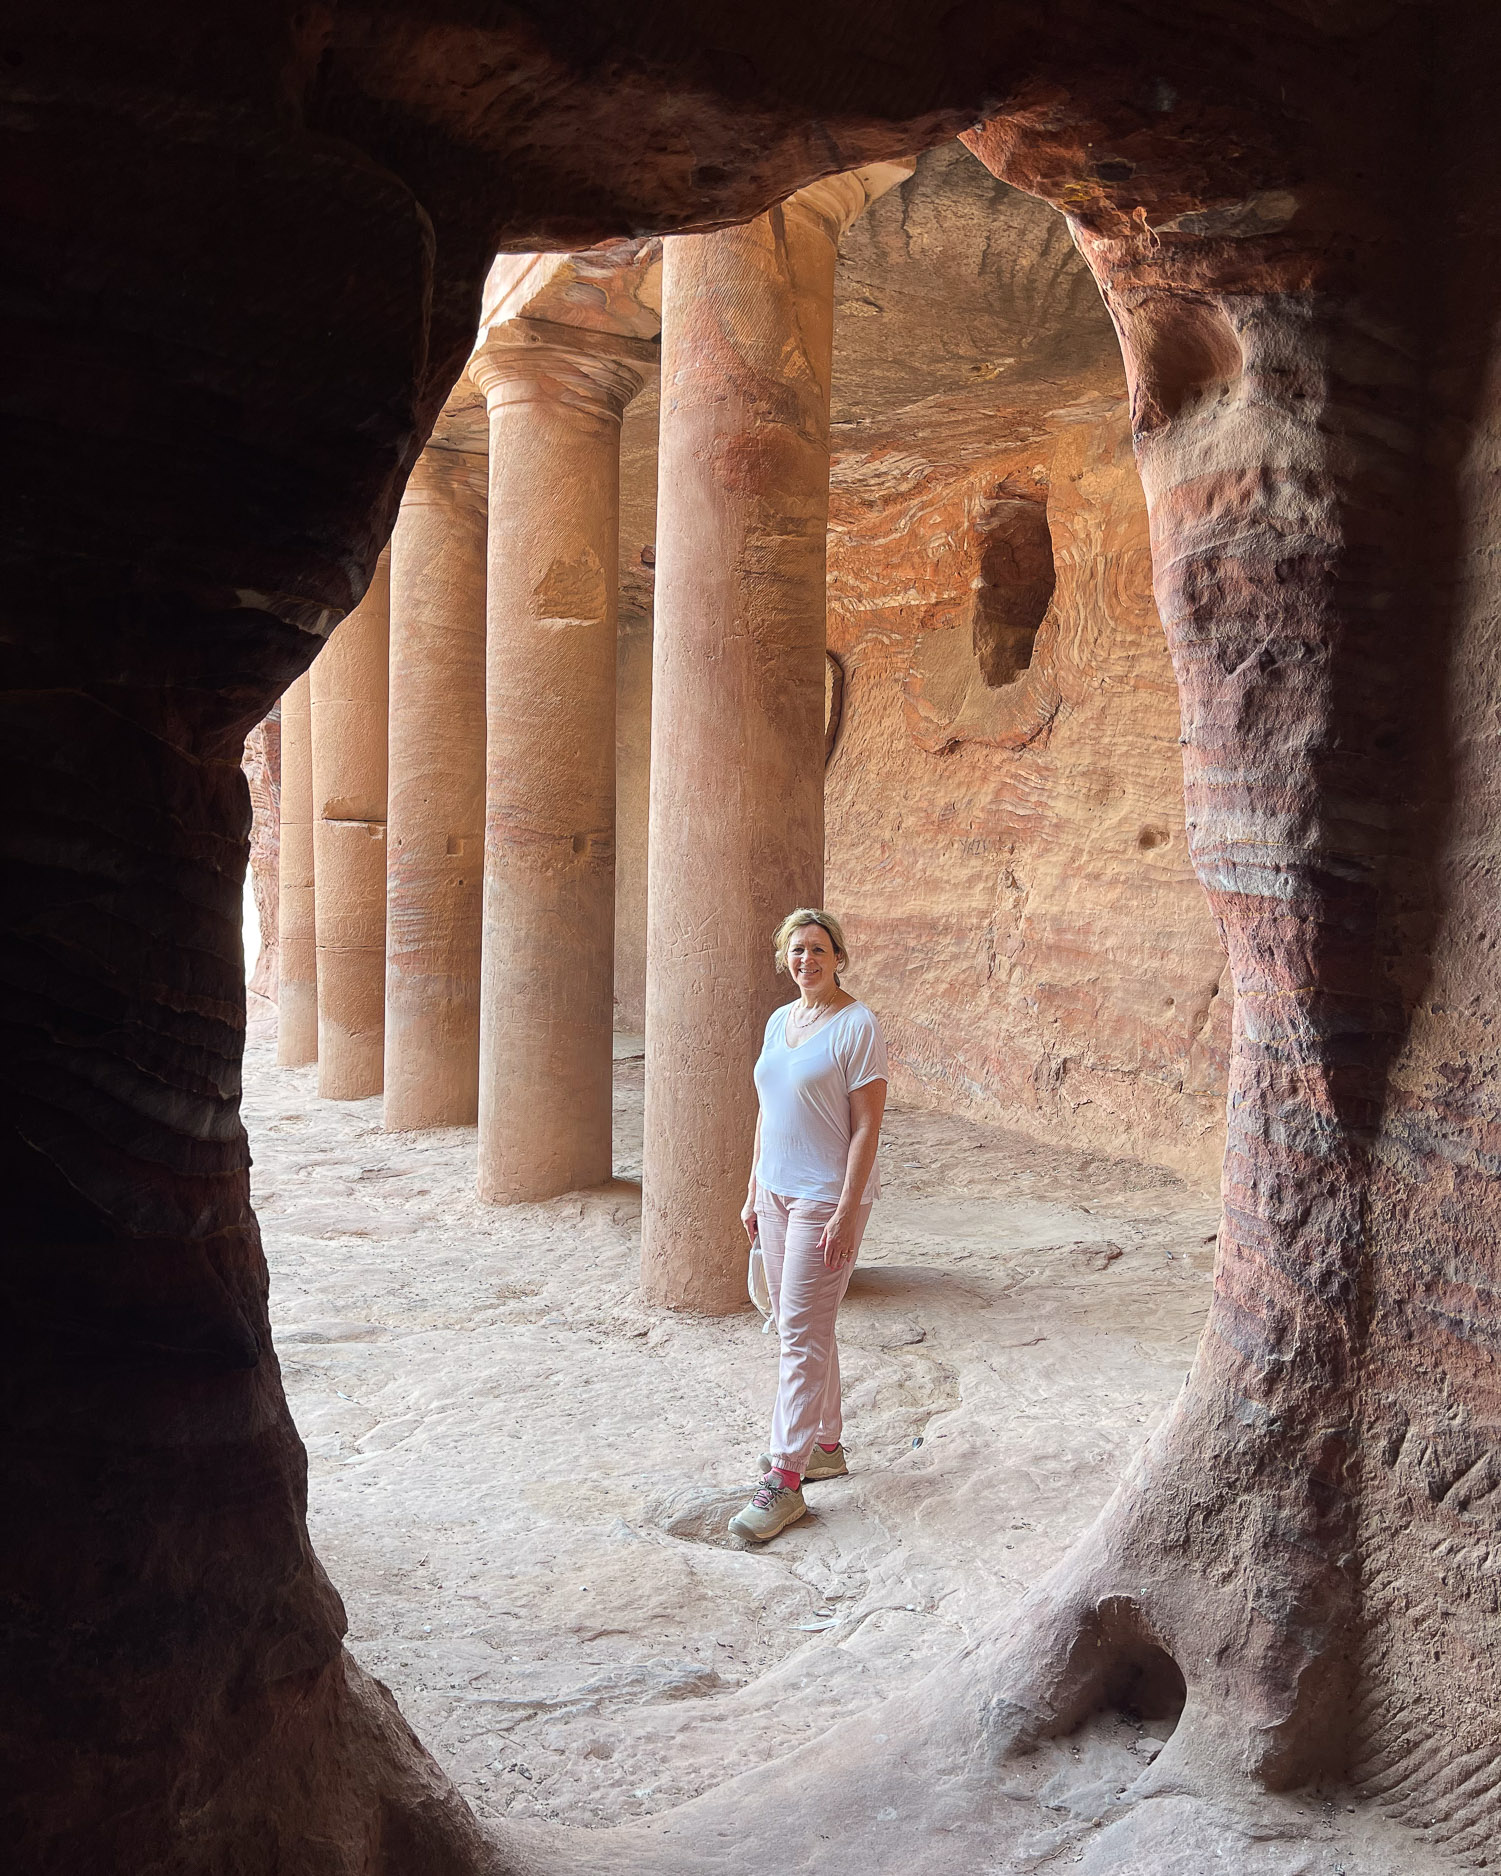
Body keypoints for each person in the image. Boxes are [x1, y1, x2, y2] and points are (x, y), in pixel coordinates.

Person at [729, 909, 889, 1544]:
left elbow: (867, 1126)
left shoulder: (858, 1025)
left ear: (839, 957)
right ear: (785, 959)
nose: (807, 960)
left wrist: (850, 1208)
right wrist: (750, 1191)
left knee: (797, 1331)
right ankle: (823, 1444)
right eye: (797, 951)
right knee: (803, 1321)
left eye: (819, 949)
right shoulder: (780, 1021)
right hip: (774, 1191)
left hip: (826, 1197)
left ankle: (785, 1480)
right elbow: (769, 1113)